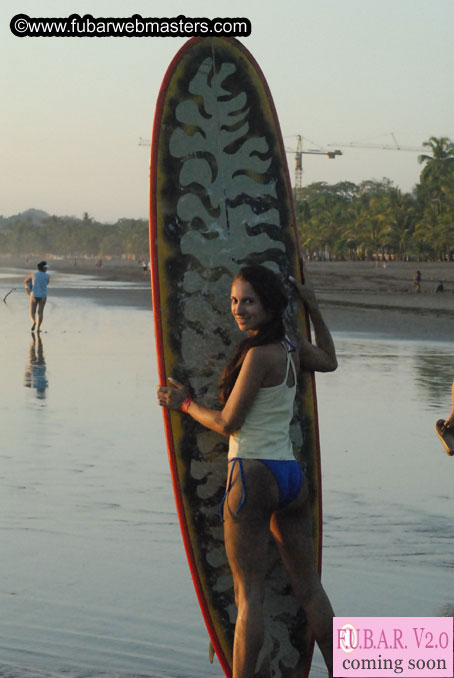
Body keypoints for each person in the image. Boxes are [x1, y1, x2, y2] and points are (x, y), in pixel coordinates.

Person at [157, 264, 337, 678]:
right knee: (311, 590)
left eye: (249, 301)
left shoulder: (258, 356)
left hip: (252, 475)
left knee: (248, 596)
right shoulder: (292, 348)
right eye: (235, 301)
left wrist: (183, 404)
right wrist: (314, 309)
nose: (239, 309)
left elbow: (227, 422)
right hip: (291, 477)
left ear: (270, 305)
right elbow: (328, 361)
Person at [24, 261, 50, 332]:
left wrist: (27, 288)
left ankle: (33, 322)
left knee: (32, 311)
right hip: (43, 296)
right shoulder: (47, 276)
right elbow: (46, 283)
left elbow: (26, 281)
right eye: (46, 267)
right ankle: (38, 328)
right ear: (43, 268)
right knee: (40, 312)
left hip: (34, 294)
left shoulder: (33, 274)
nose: (47, 269)